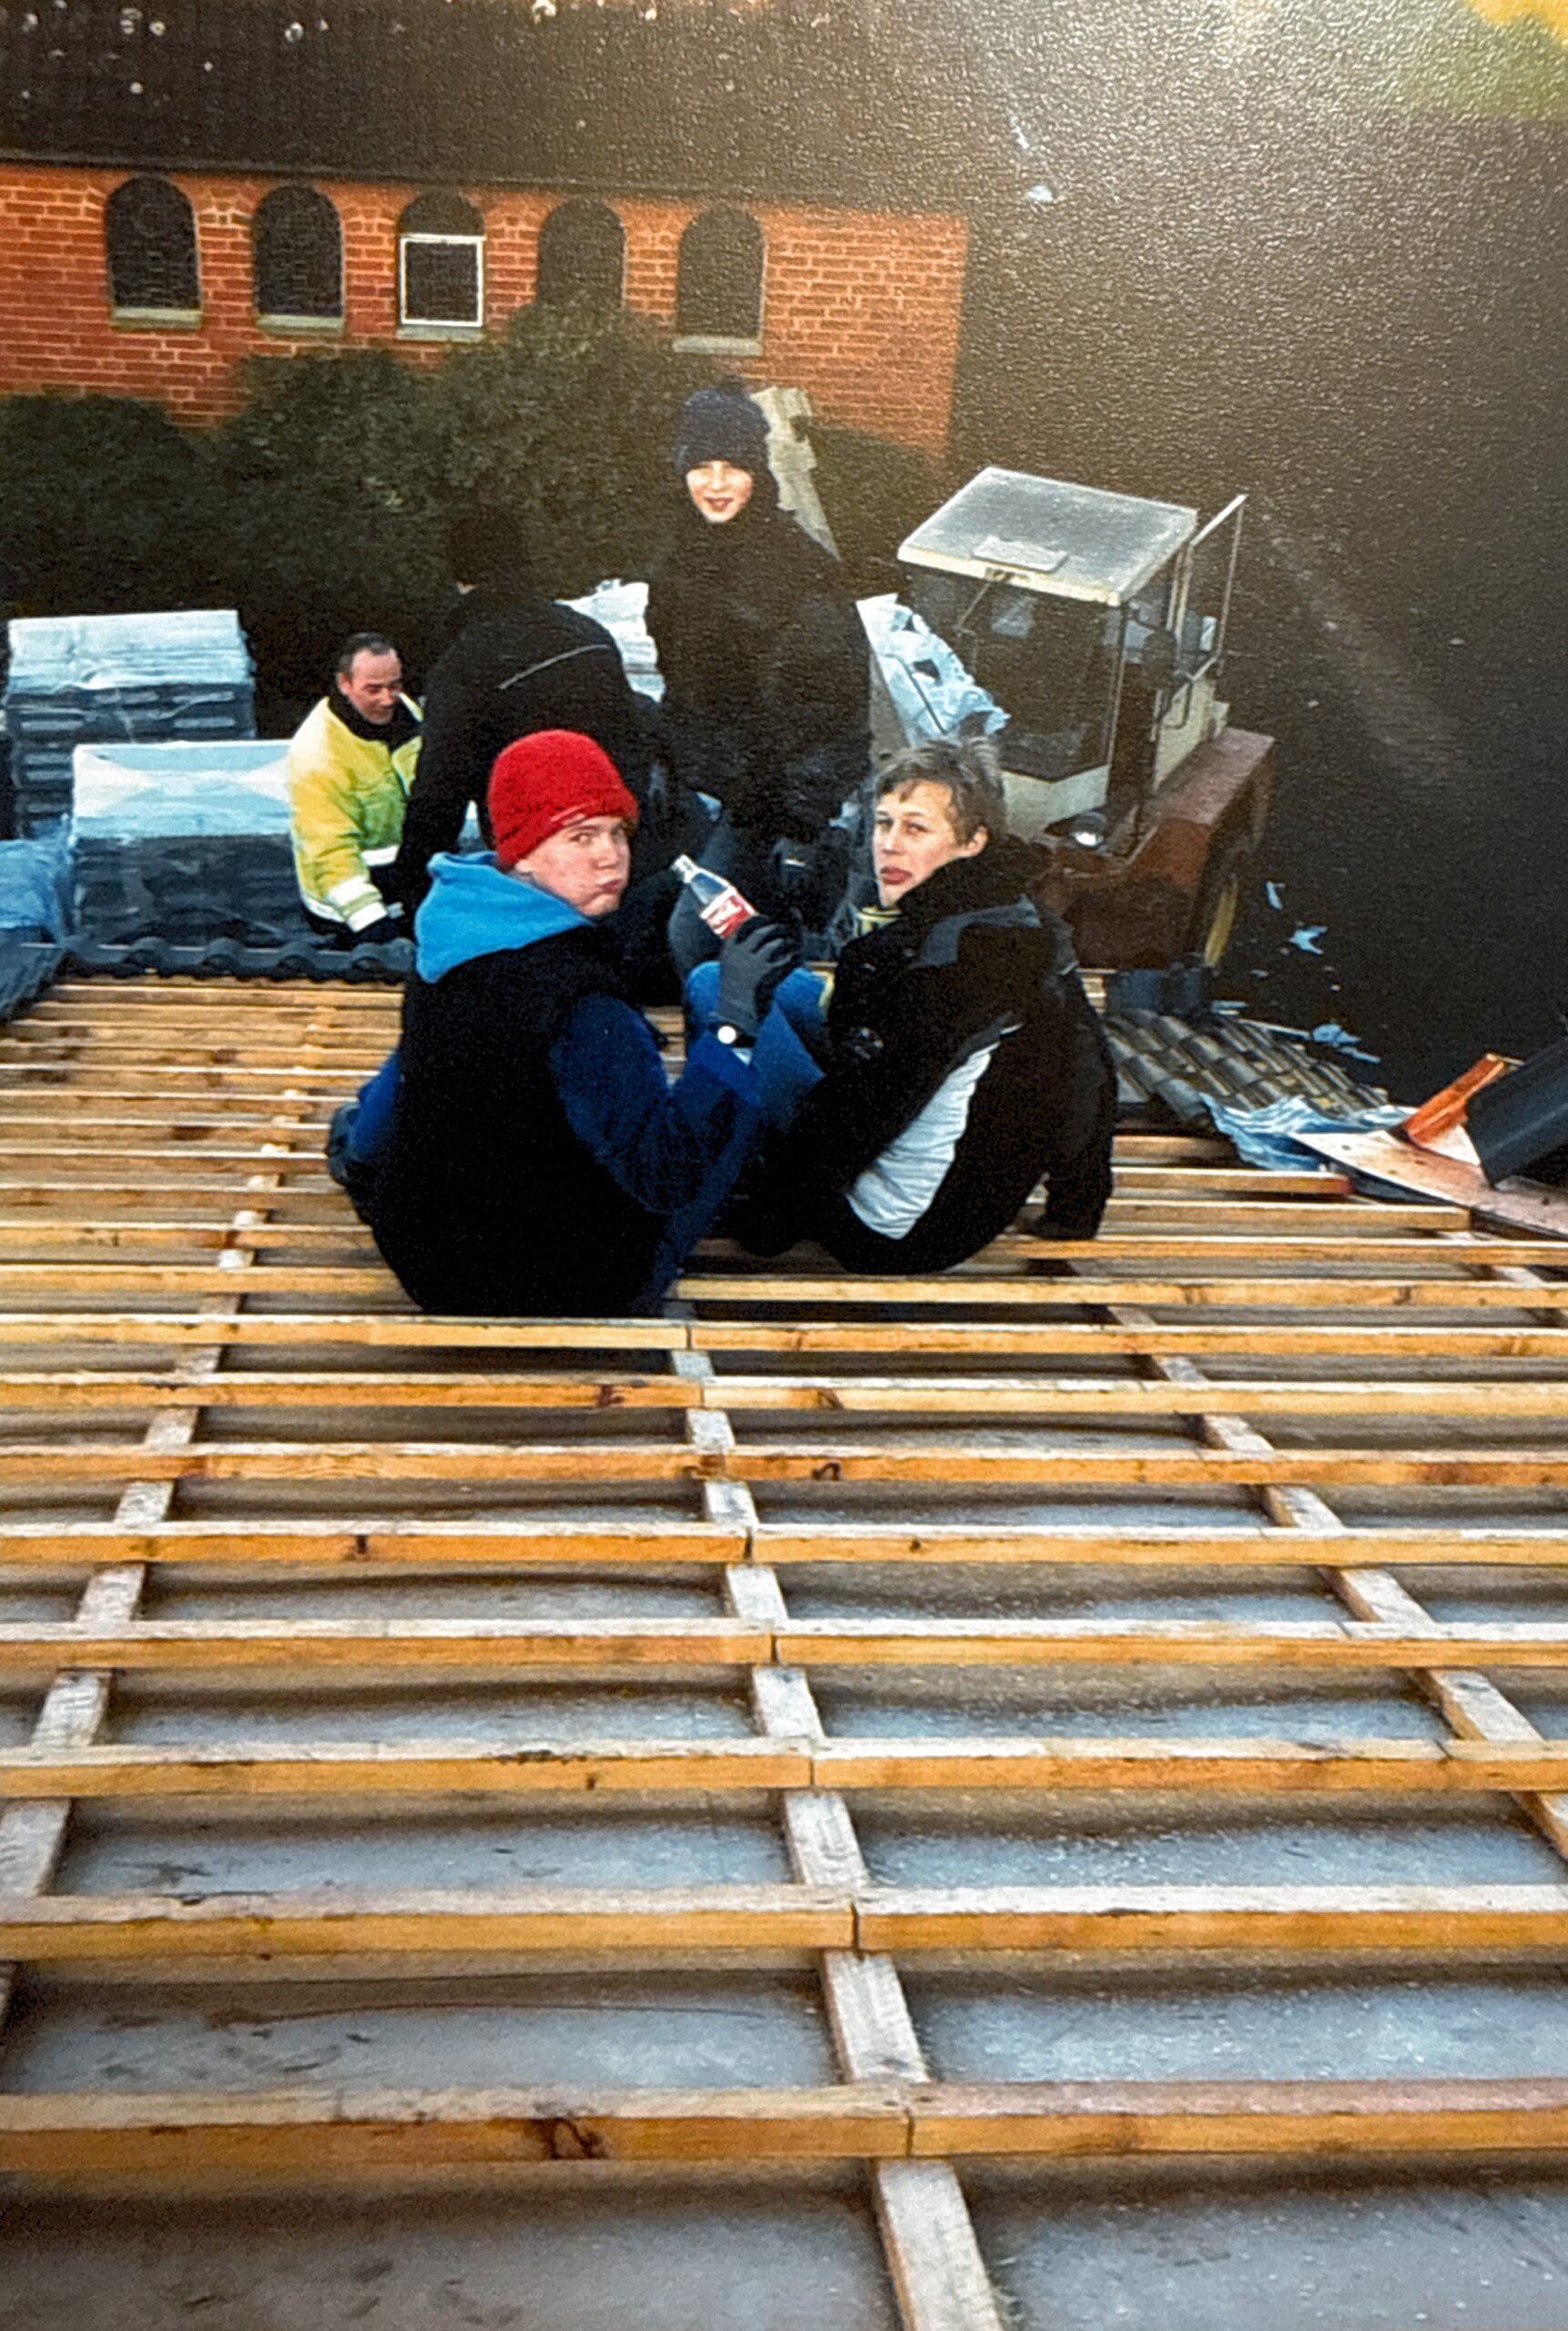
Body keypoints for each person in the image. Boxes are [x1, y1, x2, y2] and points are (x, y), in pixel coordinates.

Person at [344, 728, 794, 1318]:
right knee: (734, 1099)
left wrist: (357, 1151)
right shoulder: (582, 1001)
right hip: (570, 1282)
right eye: (581, 836)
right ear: (523, 852)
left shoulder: (450, 938)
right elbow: (666, 1175)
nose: (610, 855)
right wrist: (734, 1024)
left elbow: (400, 1085)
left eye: (618, 832)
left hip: (426, 1265)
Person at [713, 736, 1118, 1274]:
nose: (889, 845)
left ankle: (723, 1166)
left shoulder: (943, 964)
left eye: (916, 829)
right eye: (884, 823)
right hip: (966, 1210)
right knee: (787, 989)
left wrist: (764, 1227)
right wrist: (1077, 1209)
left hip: (888, 1231)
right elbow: (1091, 1076)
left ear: (972, 841)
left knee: (712, 986)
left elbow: (852, 1118)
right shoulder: (1023, 922)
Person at [646, 382, 871, 975]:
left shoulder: (798, 569)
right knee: (643, 922)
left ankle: (741, 1031)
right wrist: (666, 761)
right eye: (701, 467)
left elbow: (838, 709)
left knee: (697, 935)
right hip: (702, 791)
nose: (716, 484)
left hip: (767, 806)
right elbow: (681, 686)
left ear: (758, 471)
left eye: (733, 467)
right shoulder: (679, 559)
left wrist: (798, 824)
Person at [388, 507, 654, 917]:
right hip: (621, 846)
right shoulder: (589, 635)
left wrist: (414, 888)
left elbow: (440, 790)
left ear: (461, 578)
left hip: (541, 860)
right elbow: (632, 738)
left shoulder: (465, 663)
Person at [287, 633, 422, 942]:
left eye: (394, 685)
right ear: (344, 683)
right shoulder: (318, 754)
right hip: (348, 914)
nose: (388, 699)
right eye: (373, 689)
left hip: (403, 894)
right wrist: (371, 923)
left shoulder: (408, 714)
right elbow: (331, 851)